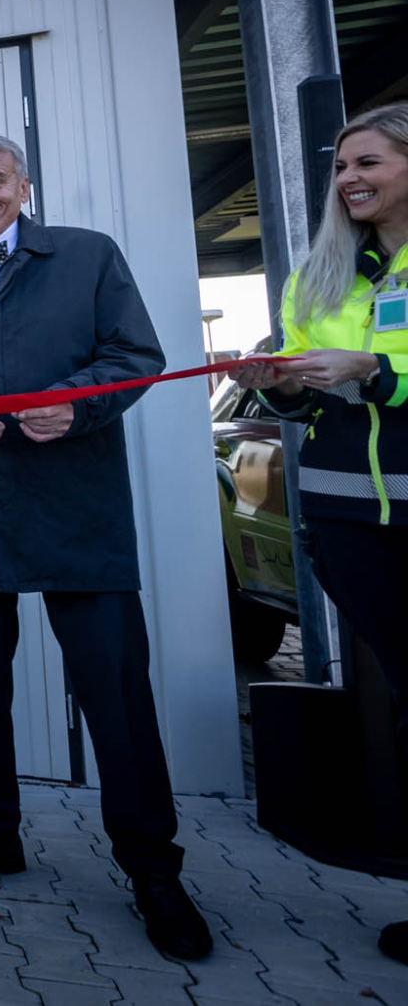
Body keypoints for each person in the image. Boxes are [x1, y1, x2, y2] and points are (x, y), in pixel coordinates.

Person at [0, 132, 212, 960]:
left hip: (75, 511)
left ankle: (153, 868)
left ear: (23, 186)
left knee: (115, 697)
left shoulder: (88, 257)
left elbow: (135, 355)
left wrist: (75, 403)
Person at [232, 102, 408, 965]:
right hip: (349, 521)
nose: (348, 179)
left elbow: (373, 378)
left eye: (367, 161)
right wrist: (281, 383)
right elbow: (300, 404)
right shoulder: (318, 275)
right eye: (341, 166)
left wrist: (376, 370)